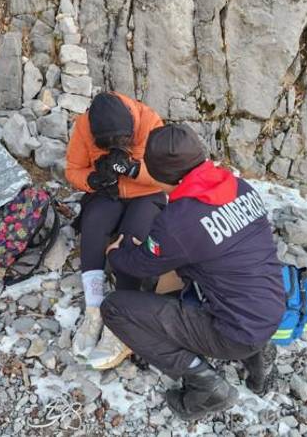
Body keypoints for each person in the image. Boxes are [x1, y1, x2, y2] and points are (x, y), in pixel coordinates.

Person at [102, 124, 285, 421]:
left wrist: (117, 254)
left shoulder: (179, 221)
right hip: (273, 309)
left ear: (162, 175)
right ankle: (258, 358)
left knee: (115, 308)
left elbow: (138, 264)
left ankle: (206, 385)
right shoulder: (239, 186)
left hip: (233, 334)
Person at [64, 91, 167, 369]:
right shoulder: (84, 125)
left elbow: (164, 174)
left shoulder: (149, 122)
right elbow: (73, 169)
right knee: (94, 225)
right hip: (108, 191)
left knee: (133, 238)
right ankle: (94, 309)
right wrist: (93, 180)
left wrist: (134, 170)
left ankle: (119, 323)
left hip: (146, 193)